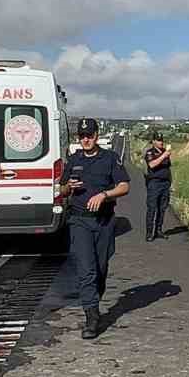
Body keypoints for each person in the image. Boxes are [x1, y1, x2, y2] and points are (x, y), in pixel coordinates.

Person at [61, 117, 130, 339]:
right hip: (79, 220)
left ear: (96, 136)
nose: (86, 139)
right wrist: (67, 187)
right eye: (82, 136)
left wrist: (104, 195)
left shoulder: (110, 159)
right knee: (86, 269)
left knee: (100, 268)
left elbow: (124, 186)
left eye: (89, 135)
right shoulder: (73, 160)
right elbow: (61, 190)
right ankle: (91, 316)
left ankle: (94, 300)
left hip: (103, 222)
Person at [141, 132, 172, 241]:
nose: (161, 142)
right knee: (152, 208)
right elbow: (152, 164)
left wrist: (169, 181)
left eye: (162, 140)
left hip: (165, 183)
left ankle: (158, 230)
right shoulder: (150, 152)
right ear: (153, 141)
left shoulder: (165, 152)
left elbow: (167, 168)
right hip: (154, 183)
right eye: (158, 140)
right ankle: (149, 233)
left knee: (162, 208)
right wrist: (164, 156)